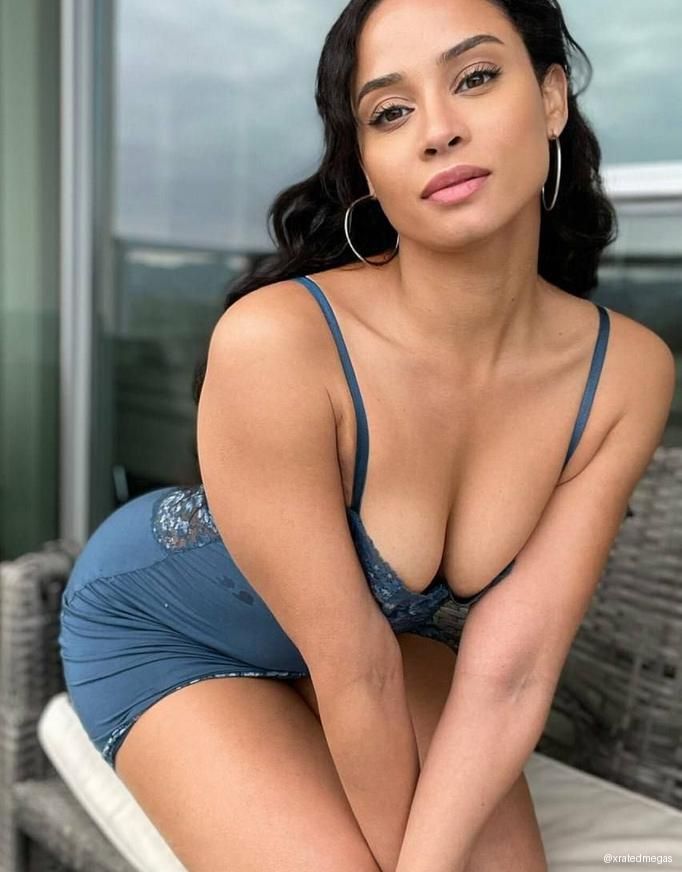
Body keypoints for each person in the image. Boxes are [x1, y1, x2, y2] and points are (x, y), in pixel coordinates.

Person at [58, 0, 676, 870]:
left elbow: (512, 676)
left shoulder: (623, 373)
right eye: (390, 112)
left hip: (382, 654)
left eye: (475, 77)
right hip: (165, 630)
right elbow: (354, 668)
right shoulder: (280, 341)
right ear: (367, 168)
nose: (438, 130)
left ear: (549, 99)